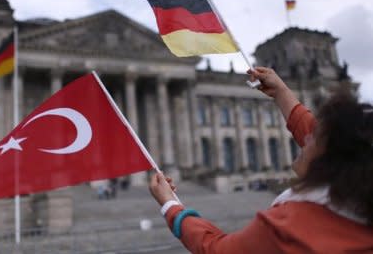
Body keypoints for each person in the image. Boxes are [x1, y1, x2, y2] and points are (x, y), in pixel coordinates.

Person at [149, 66, 373, 253]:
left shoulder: (289, 229)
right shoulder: (359, 196)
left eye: (313, 137)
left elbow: (215, 249)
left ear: (328, 157)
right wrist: (282, 92)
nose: (305, 137)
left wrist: (170, 205)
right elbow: (330, 137)